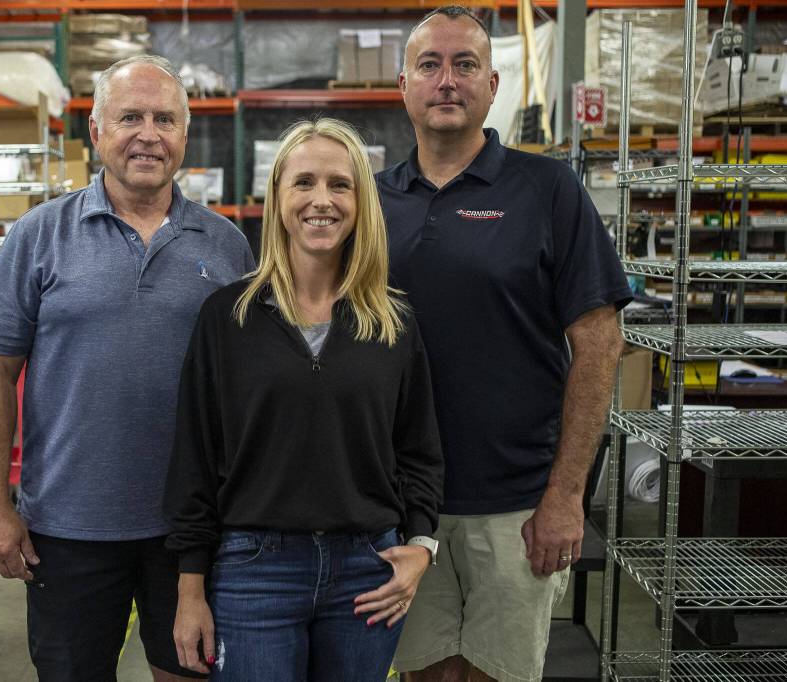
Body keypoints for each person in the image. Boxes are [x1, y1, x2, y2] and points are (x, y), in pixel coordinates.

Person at [0, 55, 255, 681]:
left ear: (183, 134)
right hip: (66, 529)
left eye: (165, 119)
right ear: (96, 130)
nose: (148, 134)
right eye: (130, 117)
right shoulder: (37, 237)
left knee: (188, 673)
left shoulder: (228, 246)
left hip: (191, 532)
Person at [376, 7, 632, 682]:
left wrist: (565, 496)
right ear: (403, 85)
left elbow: (600, 344)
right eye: (429, 65)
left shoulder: (548, 190)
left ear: (493, 86)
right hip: (403, 505)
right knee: (426, 673)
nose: (447, 81)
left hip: (517, 504)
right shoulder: (372, 203)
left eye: (465, 66)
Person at [165, 118, 444, 681]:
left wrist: (421, 545)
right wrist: (190, 588)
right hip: (253, 573)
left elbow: (419, 450)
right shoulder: (228, 317)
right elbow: (195, 459)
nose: (323, 200)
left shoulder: (393, 321)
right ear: (279, 197)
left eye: (340, 185)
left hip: (368, 572)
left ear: (361, 201)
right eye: (304, 182)